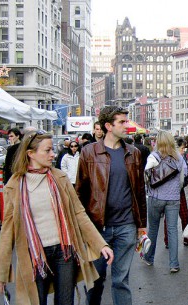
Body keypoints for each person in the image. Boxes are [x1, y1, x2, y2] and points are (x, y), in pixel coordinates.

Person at [0, 130, 113, 305]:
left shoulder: (60, 178)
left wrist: (100, 244)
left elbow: (79, 214)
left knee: (65, 302)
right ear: (30, 153)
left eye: (52, 150)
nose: (53, 154)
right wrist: (1, 273)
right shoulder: (15, 185)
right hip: (33, 256)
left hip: (64, 252)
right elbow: (7, 231)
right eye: (47, 150)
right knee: (35, 301)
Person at [76, 106, 147, 305]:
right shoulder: (89, 152)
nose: (127, 125)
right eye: (122, 122)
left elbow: (140, 191)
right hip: (98, 228)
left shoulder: (133, 153)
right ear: (108, 126)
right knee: (95, 280)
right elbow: (80, 191)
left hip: (126, 226)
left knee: (121, 281)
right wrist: (83, 228)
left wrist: (141, 225)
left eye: (127, 121)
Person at [143, 130, 188, 273]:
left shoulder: (154, 156)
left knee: (154, 229)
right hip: (173, 198)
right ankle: (174, 264)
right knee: (173, 230)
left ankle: (149, 258)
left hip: (156, 197)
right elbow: (183, 179)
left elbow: (146, 176)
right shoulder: (179, 158)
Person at [162, 136, 188, 249]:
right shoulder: (174, 158)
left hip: (175, 191)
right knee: (176, 217)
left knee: (182, 216)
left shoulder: (176, 158)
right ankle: (172, 240)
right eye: (182, 148)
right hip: (174, 191)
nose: (184, 150)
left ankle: (183, 239)